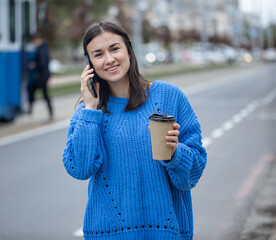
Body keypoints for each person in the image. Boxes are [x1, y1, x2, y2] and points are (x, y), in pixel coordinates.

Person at [62, 22, 207, 240]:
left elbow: (192, 174)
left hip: (166, 233)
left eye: (114, 48)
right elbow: (79, 169)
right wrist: (91, 108)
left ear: (129, 50)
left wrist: (174, 153)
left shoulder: (169, 97)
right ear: (89, 63)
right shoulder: (88, 114)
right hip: (108, 234)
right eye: (98, 54)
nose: (109, 59)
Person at [27, 34, 53, 120]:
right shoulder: (42, 48)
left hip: (43, 75)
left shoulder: (42, 49)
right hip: (43, 75)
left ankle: (49, 112)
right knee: (35, 90)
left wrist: (35, 64)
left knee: (38, 91)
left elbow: (42, 62)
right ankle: (49, 112)